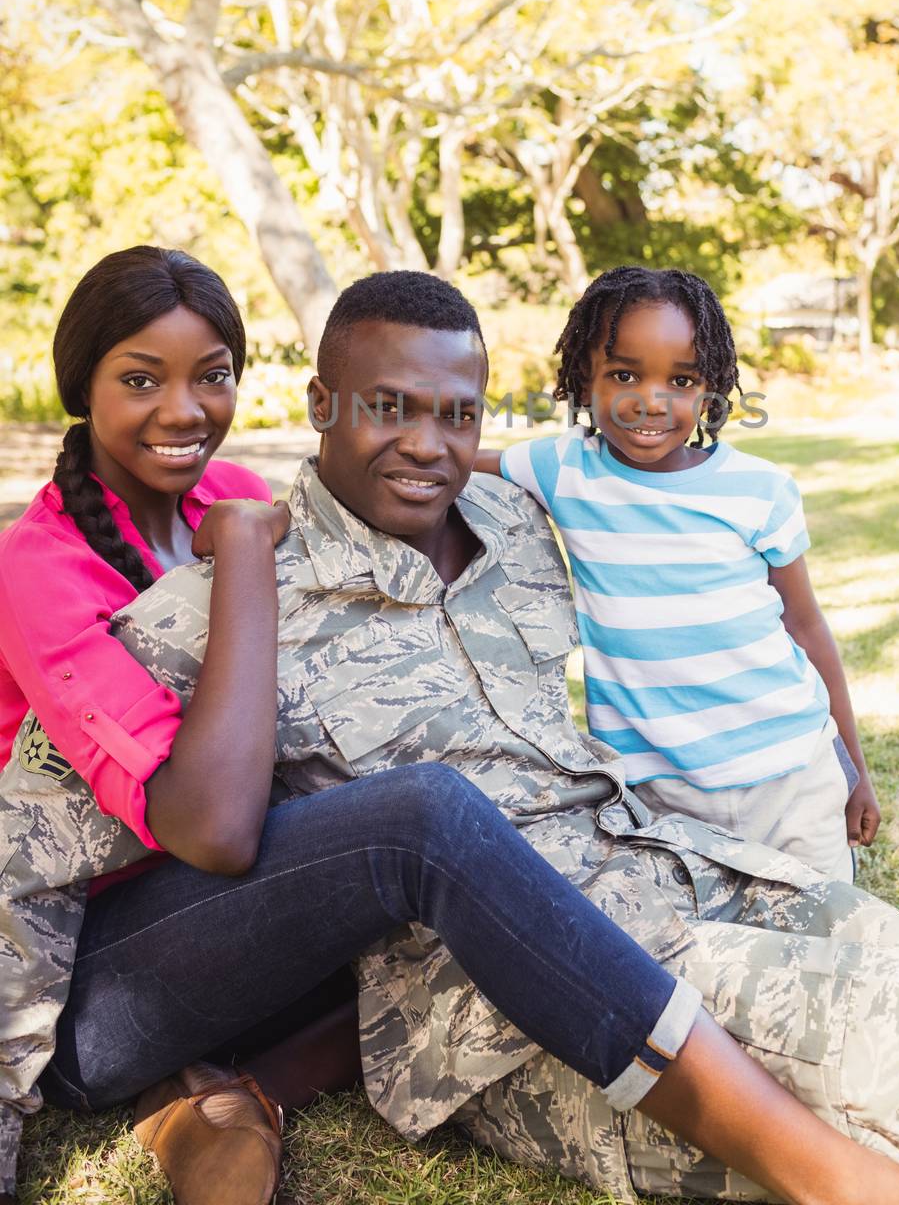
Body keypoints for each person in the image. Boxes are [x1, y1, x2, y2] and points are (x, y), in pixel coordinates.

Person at [96, 273, 899, 1204]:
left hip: (688, 866)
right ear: (321, 401)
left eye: (455, 414)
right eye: (388, 406)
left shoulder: (517, 519)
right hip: (523, 1002)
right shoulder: (223, 608)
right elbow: (46, 863)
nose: (428, 445)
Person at [0, 249, 783, 1205]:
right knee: (416, 822)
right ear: (77, 384)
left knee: (441, 889)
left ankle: (236, 1090)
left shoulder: (232, 494)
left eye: (212, 377)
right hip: (104, 956)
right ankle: (205, 1094)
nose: (183, 410)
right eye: (139, 379)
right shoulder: (46, 569)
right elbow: (189, 830)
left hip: (253, 915)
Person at [474, 265, 877, 881]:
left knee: (832, 938)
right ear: (585, 378)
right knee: (716, 951)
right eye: (624, 374)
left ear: (710, 390)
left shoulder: (759, 490)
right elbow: (444, 462)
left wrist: (855, 767)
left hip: (793, 774)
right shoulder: (564, 469)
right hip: (662, 794)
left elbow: (806, 626)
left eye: (681, 379)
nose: (650, 400)